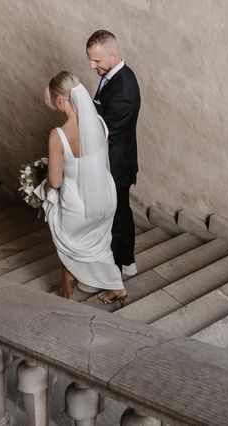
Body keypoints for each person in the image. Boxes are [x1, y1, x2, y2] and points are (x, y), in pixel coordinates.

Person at [35, 71, 128, 305]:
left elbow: (55, 182)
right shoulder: (99, 124)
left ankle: (67, 298)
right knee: (99, 241)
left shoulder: (58, 136)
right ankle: (117, 287)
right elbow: (99, 163)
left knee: (66, 244)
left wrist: (40, 187)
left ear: (59, 100)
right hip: (105, 199)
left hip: (78, 207)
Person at [86, 30, 141, 277]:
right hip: (113, 160)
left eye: (97, 60)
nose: (91, 65)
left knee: (116, 219)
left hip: (116, 164)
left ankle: (115, 274)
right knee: (121, 214)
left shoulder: (125, 91)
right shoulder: (112, 76)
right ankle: (128, 261)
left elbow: (102, 132)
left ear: (113, 54)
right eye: (90, 59)